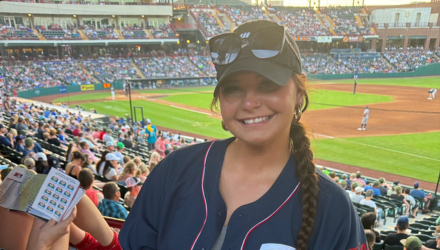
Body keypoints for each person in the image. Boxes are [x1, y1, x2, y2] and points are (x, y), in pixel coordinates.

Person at [120, 20, 367, 249]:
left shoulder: (333, 206)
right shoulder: (174, 170)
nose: (249, 103)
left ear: (299, 92)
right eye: (233, 88)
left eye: (268, 84)